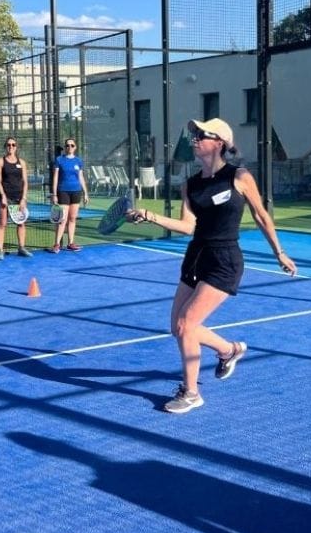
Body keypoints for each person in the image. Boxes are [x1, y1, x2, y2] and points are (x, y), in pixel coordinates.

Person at [126, 118, 296, 414]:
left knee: (186, 325)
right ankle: (229, 350)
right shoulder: (190, 185)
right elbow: (187, 226)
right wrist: (149, 216)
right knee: (178, 328)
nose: (194, 139)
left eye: (201, 135)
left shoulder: (239, 176)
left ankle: (191, 393)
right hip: (196, 257)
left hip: (224, 260)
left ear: (219, 143)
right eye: (194, 134)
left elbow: (261, 216)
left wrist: (279, 253)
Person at [0, 137, 32, 259]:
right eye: (8, 145)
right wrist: (3, 196)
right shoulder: (1, 161)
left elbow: (25, 181)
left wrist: (23, 198)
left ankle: (21, 248)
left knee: (21, 223)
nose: (11, 147)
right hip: (5, 197)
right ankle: (0, 251)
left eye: (13, 145)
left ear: (16, 147)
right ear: (6, 147)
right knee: (2, 224)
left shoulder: (22, 162)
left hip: (19, 197)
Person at [49, 137, 88, 252]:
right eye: (67, 145)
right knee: (62, 219)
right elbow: (55, 178)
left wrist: (85, 193)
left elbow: (81, 177)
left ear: (75, 147)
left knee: (72, 218)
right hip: (63, 192)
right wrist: (54, 194)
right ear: (65, 147)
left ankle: (70, 243)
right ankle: (56, 244)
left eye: (72, 145)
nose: (69, 147)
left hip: (76, 191)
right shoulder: (59, 160)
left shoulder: (78, 161)